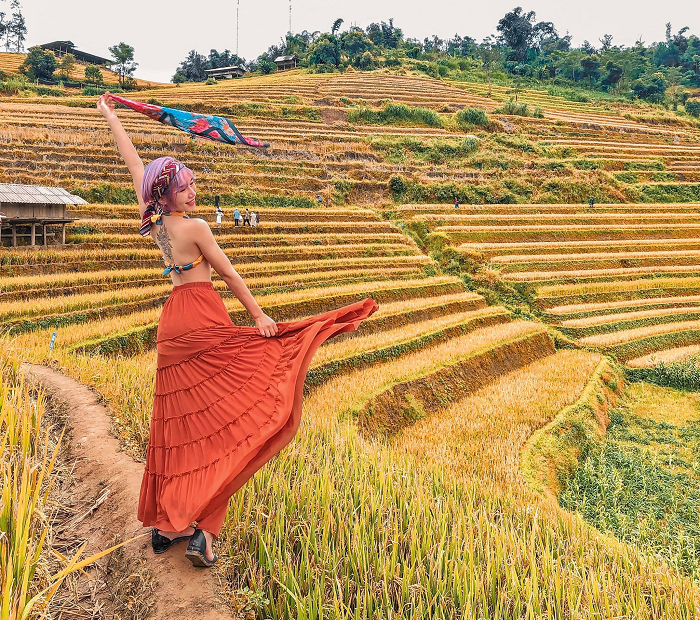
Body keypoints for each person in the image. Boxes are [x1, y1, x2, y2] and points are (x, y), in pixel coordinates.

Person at [97, 92, 378, 569]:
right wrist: (260, 317)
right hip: (204, 317)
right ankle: (204, 529)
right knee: (226, 426)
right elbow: (229, 274)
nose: (192, 191)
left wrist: (111, 116)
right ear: (167, 194)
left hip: (173, 328)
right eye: (183, 186)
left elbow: (135, 165)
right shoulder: (197, 227)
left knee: (178, 426)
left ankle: (168, 525)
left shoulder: (156, 224)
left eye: (190, 184)